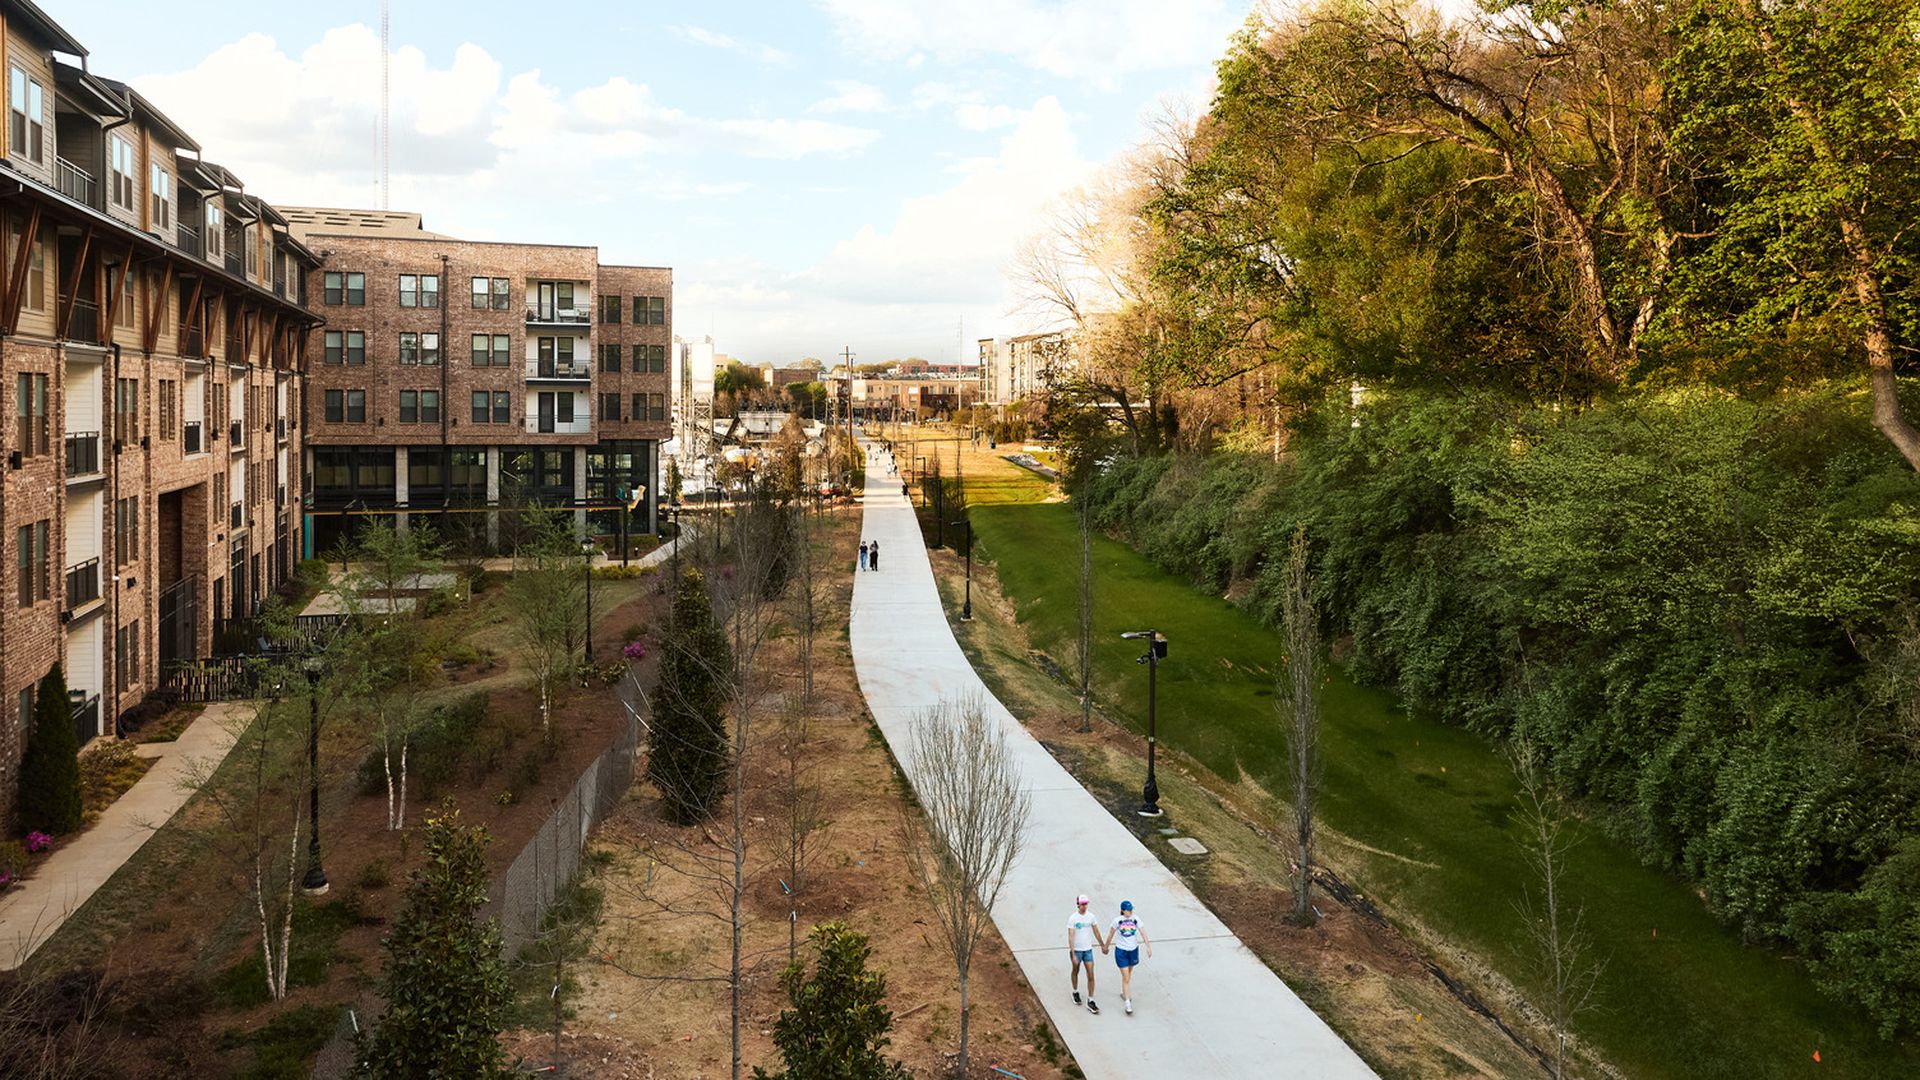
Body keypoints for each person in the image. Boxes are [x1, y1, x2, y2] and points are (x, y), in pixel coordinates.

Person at [1106, 899, 1151, 1014]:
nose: (1130, 912)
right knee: (1126, 977)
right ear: (1122, 910)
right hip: (1121, 951)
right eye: (1128, 910)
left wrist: (1147, 946)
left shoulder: (1135, 919)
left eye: (1131, 910)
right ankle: (1127, 1003)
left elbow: (1142, 932)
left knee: (1128, 974)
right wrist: (1106, 946)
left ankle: (1124, 992)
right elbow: (1111, 933)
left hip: (1133, 950)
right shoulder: (1117, 921)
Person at [1067, 893, 1104, 1014]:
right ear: (1078, 904)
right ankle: (1075, 991)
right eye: (1082, 904)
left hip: (1088, 950)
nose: (1084, 906)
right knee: (1075, 971)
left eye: (1085, 904)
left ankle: (1090, 1000)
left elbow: (1096, 931)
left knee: (1091, 975)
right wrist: (1073, 953)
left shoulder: (1091, 917)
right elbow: (1071, 936)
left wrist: (1102, 944)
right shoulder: (1073, 918)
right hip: (1077, 950)